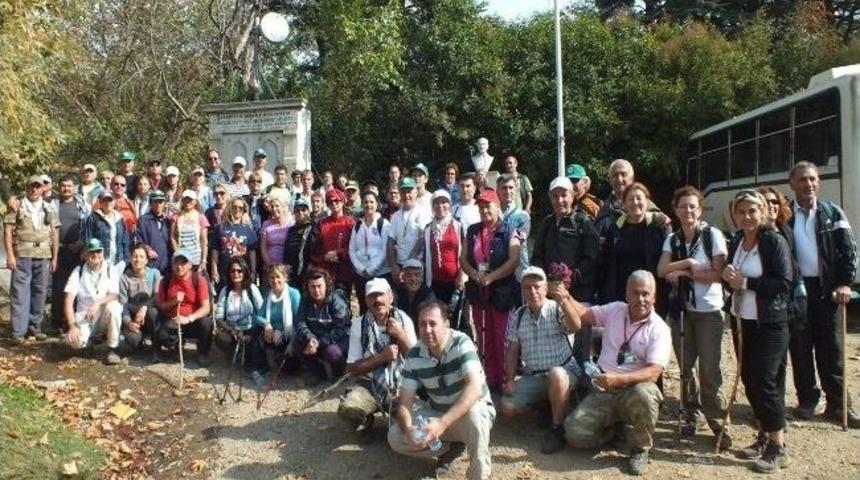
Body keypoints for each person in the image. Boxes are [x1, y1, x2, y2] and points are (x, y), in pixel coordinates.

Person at [562, 270, 671, 475]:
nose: (641, 299)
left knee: (646, 395)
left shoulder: (659, 329)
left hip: (633, 391)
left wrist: (619, 379)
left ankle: (640, 450)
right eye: (635, 293)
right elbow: (585, 315)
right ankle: (614, 432)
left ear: (654, 296)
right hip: (603, 390)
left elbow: (654, 372)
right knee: (573, 433)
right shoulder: (615, 310)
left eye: (646, 294)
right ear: (627, 294)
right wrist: (565, 296)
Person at [721, 189, 793, 472]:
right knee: (750, 380)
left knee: (765, 382)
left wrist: (746, 283)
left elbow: (784, 283)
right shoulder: (738, 240)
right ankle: (763, 437)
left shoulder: (773, 241)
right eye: (742, 211)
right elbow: (733, 279)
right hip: (743, 322)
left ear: (762, 212)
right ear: (735, 215)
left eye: (752, 211)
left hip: (770, 324)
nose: (747, 216)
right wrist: (729, 279)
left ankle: (778, 445)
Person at [786, 161, 859, 427]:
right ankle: (807, 401)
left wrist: (845, 283)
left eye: (813, 179)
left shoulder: (832, 212)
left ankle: (839, 405)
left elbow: (848, 249)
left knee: (832, 348)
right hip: (798, 291)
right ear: (793, 183)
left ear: (818, 182)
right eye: (803, 180)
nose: (809, 184)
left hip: (828, 290)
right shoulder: (786, 216)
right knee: (801, 347)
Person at [388, 299, 495, 480]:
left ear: (446, 324)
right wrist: (408, 430)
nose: (427, 329)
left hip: (468, 413)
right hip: (438, 412)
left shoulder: (462, 342)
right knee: (396, 437)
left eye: (433, 324)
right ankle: (448, 446)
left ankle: (480, 473)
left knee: (475, 415)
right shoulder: (415, 354)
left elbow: (475, 388)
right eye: (422, 324)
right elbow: (405, 401)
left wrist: (442, 424)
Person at [656, 186, 729, 446]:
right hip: (682, 311)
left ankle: (717, 418)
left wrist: (687, 274)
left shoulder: (713, 236)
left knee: (710, 368)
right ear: (675, 210)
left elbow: (719, 273)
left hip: (709, 310)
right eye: (683, 206)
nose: (687, 211)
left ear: (700, 209)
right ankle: (690, 414)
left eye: (692, 206)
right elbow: (662, 269)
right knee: (686, 368)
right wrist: (688, 264)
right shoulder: (673, 239)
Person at [500, 267, 582, 454]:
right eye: (527, 287)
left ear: (545, 288)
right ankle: (548, 405)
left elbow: (576, 326)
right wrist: (510, 379)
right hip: (535, 376)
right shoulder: (519, 315)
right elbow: (512, 350)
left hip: (564, 371)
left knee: (556, 375)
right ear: (522, 290)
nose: (532, 291)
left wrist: (564, 300)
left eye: (537, 286)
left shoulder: (556, 309)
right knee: (507, 407)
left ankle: (557, 429)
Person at [339, 278, 416, 440]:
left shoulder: (404, 320)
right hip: (369, 384)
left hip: (400, 386)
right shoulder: (359, 325)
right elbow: (351, 369)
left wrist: (401, 336)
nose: (377, 300)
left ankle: (395, 420)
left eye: (381, 295)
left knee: (410, 427)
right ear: (366, 301)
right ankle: (366, 421)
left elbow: (416, 361)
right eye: (372, 296)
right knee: (348, 409)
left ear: (391, 297)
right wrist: (382, 358)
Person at [461, 188, 522, 389]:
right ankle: (488, 378)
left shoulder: (510, 229)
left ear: (497, 206)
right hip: (478, 291)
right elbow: (463, 259)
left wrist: (491, 277)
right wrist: (475, 274)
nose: (484, 209)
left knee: (502, 335)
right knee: (482, 333)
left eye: (488, 205)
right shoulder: (472, 230)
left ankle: (505, 378)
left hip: (502, 292)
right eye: (481, 206)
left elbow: (514, 260)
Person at [5, 175, 59, 343]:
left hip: (43, 254)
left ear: (44, 189)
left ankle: (35, 327)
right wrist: (10, 255)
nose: (35, 189)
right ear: (27, 188)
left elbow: (54, 234)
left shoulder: (49, 208)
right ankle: (18, 332)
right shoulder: (17, 206)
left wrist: (55, 257)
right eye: (32, 186)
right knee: (20, 293)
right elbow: (7, 231)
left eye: (38, 186)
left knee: (40, 291)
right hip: (22, 254)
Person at [601, 182, 671, 311]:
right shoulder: (615, 228)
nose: (635, 202)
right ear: (624, 204)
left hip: (652, 296)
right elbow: (607, 263)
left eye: (639, 198)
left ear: (647, 201)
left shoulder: (659, 226)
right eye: (630, 199)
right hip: (621, 295)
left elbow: (669, 258)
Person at [532, 176, 600, 303]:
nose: (559, 200)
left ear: (572, 196)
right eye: (555, 196)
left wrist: (571, 279)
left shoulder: (583, 222)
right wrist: (546, 280)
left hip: (578, 296)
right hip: (550, 295)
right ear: (549, 197)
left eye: (564, 195)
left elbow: (591, 258)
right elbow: (537, 257)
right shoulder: (546, 223)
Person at [64, 239, 124, 365]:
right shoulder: (78, 271)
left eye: (98, 251)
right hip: (85, 316)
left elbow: (114, 294)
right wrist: (72, 326)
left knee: (115, 307)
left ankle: (113, 348)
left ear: (102, 253)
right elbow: (69, 301)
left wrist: (98, 303)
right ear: (85, 255)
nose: (95, 255)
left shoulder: (110, 269)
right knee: (74, 342)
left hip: (103, 315)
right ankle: (89, 342)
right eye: (91, 252)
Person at [153, 252, 213, 365]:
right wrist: (174, 301)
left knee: (206, 322)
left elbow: (206, 308)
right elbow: (160, 305)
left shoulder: (199, 280)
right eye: (176, 263)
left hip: (192, 322)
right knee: (162, 334)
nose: (179, 267)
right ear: (172, 265)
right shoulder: (165, 281)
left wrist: (189, 318)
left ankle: (203, 353)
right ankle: (174, 345)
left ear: (190, 265)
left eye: (183, 263)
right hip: (173, 321)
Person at [294, 268, 352, 382]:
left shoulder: (336, 300)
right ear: (308, 287)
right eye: (313, 286)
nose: (316, 290)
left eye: (319, 286)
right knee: (298, 342)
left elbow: (342, 327)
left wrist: (321, 342)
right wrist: (310, 338)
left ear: (326, 285)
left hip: (336, 338)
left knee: (333, 353)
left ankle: (337, 374)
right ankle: (319, 373)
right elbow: (300, 322)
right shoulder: (305, 299)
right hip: (315, 336)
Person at [214, 257, 265, 383]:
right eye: (232, 271)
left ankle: (254, 365)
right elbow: (219, 317)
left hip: (250, 329)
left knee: (253, 344)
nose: (236, 274)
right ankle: (234, 355)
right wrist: (232, 331)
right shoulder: (225, 291)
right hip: (232, 331)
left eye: (239, 271)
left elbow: (261, 313)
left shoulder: (252, 289)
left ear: (245, 272)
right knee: (219, 337)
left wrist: (250, 332)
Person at [51, 176, 89, 333]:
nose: (66, 188)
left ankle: (72, 322)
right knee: (58, 287)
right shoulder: (52, 204)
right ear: (58, 187)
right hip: (58, 250)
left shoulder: (83, 205)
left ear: (75, 187)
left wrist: (81, 244)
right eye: (63, 186)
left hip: (77, 251)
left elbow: (87, 226)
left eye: (69, 185)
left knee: (75, 287)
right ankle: (57, 322)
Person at [254, 264, 302, 374]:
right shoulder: (268, 295)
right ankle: (262, 365)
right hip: (274, 335)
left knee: (289, 370)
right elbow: (258, 316)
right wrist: (266, 324)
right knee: (257, 331)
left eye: (278, 277)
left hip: (291, 335)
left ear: (285, 278)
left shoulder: (293, 294)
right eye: (271, 277)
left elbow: (299, 321)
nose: (275, 280)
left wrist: (292, 343)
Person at [349, 191, 391, 313]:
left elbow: (385, 249)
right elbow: (352, 249)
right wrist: (361, 268)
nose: (369, 205)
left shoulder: (383, 224)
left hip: (380, 273)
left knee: (380, 307)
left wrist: (372, 269)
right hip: (361, 275)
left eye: (372, 202)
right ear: (362, 204)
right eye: (366, 202)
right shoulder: (357, 225)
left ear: (377, 204)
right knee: (364, 307)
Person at [422, 190, 465, 306]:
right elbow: (425, 255)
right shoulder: (427, 229)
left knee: (457, 319)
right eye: (436, 203)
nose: (440, 206)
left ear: (450, 205)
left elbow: (465, 253)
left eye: (444, 202)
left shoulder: (458, 225)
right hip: (435, 282)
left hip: (456, 281)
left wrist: (462, 276)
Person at [387, 177, 432, 284]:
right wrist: (393, 266)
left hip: (417, 265)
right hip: (400, 265)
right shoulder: (395, 216)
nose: (406, 195)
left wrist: (412, 258)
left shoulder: (423, 212)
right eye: (403, 192)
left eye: (409, 191)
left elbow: (424, 237)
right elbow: (390, 242)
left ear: (416, 192)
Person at [311, 188, 356, 294]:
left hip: (344, 272)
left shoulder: (351, 223)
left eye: (336, 201)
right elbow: (313, 248)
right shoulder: (321, 224)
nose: (334, 204)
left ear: (343, 201)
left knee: (343, 304)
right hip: (325, 272)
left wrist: (339, 253)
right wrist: (324, 256)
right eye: (330, 202)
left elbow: (355, 247)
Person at [119, 244, 161, 354]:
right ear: (131, 259)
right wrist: (128, 322)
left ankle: (155, 348)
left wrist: (144, 308)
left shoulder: (154, 274)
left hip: (150, 315)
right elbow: (123, 304)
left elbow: (157, 297)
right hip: (133, 317)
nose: (138, 260)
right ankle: (139, 341)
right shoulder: (124, 278)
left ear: (147, 260)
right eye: (135, 256)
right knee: (134, 340)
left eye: (142, 257)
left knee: (153, 313)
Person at [211, 196, 258, 290]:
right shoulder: (220, 228)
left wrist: (253, 270)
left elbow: (252, 252)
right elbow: (215, 251)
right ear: (230, 208)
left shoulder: (248, 229)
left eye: (240, 208)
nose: (237, 210)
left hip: (242, 272)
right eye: (234, 207)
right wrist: (214, 269)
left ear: (244, 210)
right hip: (224, 271)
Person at [82, 190, 130, 270]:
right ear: (100, 202)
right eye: (104, 200)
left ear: (114, 202)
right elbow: (88, 240)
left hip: (118, 262)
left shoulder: (120, 219)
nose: (108, 203)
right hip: (100, 261)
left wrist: (125, 261)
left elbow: (125, 241)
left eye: (110, 200)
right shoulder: (93, 218)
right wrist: (91, 259)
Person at [497, 174, 530, 279]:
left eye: (511, 188)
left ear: (515, 190)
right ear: (497, 190)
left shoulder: (523, 216)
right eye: (504, 188)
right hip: (496, 271)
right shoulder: (491, 214)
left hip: (518, 273)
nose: (507, 191)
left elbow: (519, 240)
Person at [170, 190, 209, 272]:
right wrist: (177, 253)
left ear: (195, 201)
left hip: (196, 260)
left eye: (190, 200)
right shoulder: (176, 217)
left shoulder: (201, 218)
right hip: (181, 260)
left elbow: (204, 241)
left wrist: (203, 260)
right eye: (185, 199)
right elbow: (173, 236)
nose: (187, 202)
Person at [395, 259, 437, 330]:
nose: (413, 279)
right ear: (403, 277)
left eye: (417, 275)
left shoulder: (429, 296)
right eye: (409, 275)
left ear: (422, 278)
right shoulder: (397, 294)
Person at [283, 198, 315, 289]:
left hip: (308, 271)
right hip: (291, 271)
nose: (300, 212)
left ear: (308, 211)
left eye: (303, 210)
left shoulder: (314, 228)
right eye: (297, 210)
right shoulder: (291, 230)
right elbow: (286, 250)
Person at [260, 197, 293, 273]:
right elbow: (263, 247)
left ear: (283, 207)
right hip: (270, 264)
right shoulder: (266, 224)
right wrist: (269, 265)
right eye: (272, 207)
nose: (274, 209)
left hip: (286, 265)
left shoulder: (291, 223)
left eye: (277, 206)